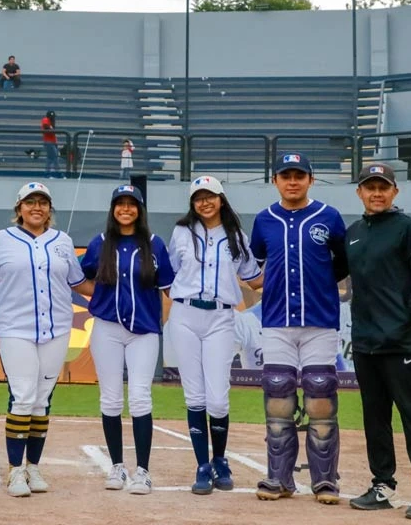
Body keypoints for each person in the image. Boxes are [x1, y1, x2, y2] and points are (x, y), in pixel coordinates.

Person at [0, 182, 93, 497]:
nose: (36, 207)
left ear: (49, 209)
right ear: (19, 209)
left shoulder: (62, 241)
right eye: (30, 202)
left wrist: (119, 292)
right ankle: (15, 471)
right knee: (23, 396)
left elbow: (79, 284)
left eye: (42, 202)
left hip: (56, 328)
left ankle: (33, 468)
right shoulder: (2, 240)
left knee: (42, 399)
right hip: (16, 328)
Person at [345, 163, 411, 520]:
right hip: (366, 343)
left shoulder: (408, 228)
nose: (376, 193)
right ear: (360, 192)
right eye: (370, 187)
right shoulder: (353, 233)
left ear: (394, 192)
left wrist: (401, 320)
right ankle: (382, 485)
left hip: (401, 344)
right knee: (375, 419)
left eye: (383, 187)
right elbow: (330, 271)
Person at [249, 152, 348, 505]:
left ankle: (325, 481)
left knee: (321, 398)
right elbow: (257, 261)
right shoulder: (264, 221)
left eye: (300, 176)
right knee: (278, 400)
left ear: (311, 179)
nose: (293, 182)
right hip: (276, 321)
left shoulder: (330, 218)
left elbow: (341, 263)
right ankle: (279, 478)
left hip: (320, 322)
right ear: (275, 180)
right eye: (286, 176)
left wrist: (320, 285)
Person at [165, 175, 262, 495]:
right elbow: (170, 272)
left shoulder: (236, 234)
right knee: (195, 395)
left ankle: (220, 459)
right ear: (192, 203)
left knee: (218, 398)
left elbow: (253, 278)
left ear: (221, 199)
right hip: (186, 314)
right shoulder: (181, 232)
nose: (204, 202)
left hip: (221, 316)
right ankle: (202, 466)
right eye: (198, 197)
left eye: (210, 196)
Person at [82, 184, 174, 495]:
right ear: (112, 209)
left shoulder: (154, 244)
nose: (125, 209)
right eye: (119, 203)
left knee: (139, 397)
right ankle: (117, 467)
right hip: (107, 328)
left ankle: (143, 472)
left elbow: (168, 287)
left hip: (144, 330)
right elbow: (84, 279)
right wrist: (100, 301)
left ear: (140, 209)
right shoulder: (101, 242)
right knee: (110, 398)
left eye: (131, 204)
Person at [41, 111, 60, 178]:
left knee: (51, 158)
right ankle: (56, 173)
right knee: (53, 157)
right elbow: (46, 127)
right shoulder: (46, 120)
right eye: (53, 117)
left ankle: (48, 173)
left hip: (53, 141)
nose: (54, 118)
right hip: (48, 142)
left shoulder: (51, 122)